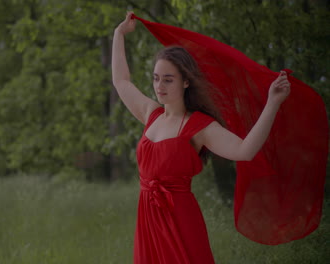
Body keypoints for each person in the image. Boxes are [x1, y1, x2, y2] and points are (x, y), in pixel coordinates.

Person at [112, 12, 291, 264]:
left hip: (180, 220)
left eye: (168, 79)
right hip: (148, 219)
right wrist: (119, 35)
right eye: (155, 78)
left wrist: (272, 103)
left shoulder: (199, 126)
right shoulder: (151, 115)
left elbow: (245, 151)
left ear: (186, 81)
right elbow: (121, 81)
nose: (159, 86)